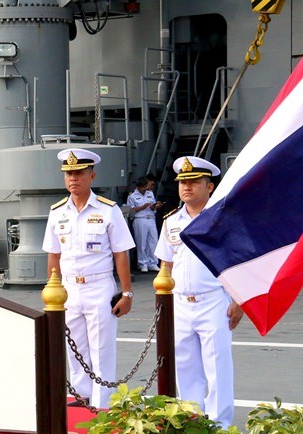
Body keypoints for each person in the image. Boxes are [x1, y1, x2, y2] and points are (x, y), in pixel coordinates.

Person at [42, 148, 135, 409]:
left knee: (101, 349)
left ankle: (103, 402)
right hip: (69, 288)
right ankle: (81, 398)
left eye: (79, 173)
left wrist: (126, 293)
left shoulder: (108, 210)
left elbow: (121, 254)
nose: (73, 178)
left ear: (91, 176)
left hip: (99, 286)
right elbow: (53, 256)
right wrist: (52, 291)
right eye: (69, 174)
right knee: (75, 349)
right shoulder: (57, 211)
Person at [154, 156, 243, 427]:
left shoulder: (221, 218)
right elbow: (165, 265)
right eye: (183, 182)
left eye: (194, 182)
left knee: (217, 367)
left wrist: (239, 300)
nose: (187, 187)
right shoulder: (171, 221)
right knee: (185, 367)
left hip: (214, 300)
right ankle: (192, 421)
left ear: (210, 186)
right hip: (180, 302)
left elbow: (237, 259)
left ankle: (220, 425)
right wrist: (163, 304)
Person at [127, 177, 162, 272]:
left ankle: (153, 263)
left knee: (153, 241)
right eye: (143, 187)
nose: (145, 189)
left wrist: (154, 206)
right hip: (140, 219)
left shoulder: (150, 193)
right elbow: (131, 210)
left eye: (146, 186)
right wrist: (142, 207)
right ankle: (143, 263)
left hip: (151, 218)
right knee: (142, 243)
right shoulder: (132, 196)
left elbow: (153, 206)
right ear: (138, 187)